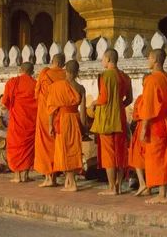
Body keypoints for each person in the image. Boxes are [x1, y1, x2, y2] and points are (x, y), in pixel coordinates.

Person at [90, 49, 133, 196]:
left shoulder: (105, 75)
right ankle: (119, 186)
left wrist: (93, 104)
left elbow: (103, 99)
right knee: (120, 153)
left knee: (109, 154)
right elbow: (129, 99)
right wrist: (118, 106)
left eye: (103, 58)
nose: (102, 61)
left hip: (107, 119)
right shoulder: (125, 77)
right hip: (120, 118)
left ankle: (111, 187)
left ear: (108, 59)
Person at [139, 49, 167, 204]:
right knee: (166, 158)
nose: (148, 60)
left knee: (158, 159)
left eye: (149, 57)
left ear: (155, 59)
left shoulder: (152, 80)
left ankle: (163, 194)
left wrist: (144, 127)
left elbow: (149, 106)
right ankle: (165, 192)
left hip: (156, 124)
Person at [48, 60, 86, 192]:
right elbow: (83, 112)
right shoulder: (81, 88)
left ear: (66, 71)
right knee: (73, 150)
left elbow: (52, 108)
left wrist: (50, 126)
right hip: (74, 119)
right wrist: (83, 127)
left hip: (63, 120)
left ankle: (73, 183)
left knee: (64, 150)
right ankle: (69, 180)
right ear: (77, 72)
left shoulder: (57, 86)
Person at [34, 53, 66, 187]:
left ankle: (48, 178)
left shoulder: (45, 73)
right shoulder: (65, 75)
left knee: (45, 146)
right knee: (56, 146)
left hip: (45, 114)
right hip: (61, 114)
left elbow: (37, 94)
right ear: (63, 64)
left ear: (52, 61)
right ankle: (54, 177)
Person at [2, 62, 38, 182]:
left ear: (19, 70)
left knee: (15, 146)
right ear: (32, 72)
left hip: (17, 120)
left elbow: (5, 100)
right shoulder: (36, 84)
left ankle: (17, 176)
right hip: (31, 120)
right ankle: (26, 175)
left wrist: (13, 109)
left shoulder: (12, 83)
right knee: (28, 148)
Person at [129, 75, 148, 196]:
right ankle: (149, 186)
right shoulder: (157, 97)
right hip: (155, 128)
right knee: (149, 158)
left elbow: (135, 117)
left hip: (142, 127)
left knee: (137, 157)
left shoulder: (141, 99)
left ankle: (142, 183)